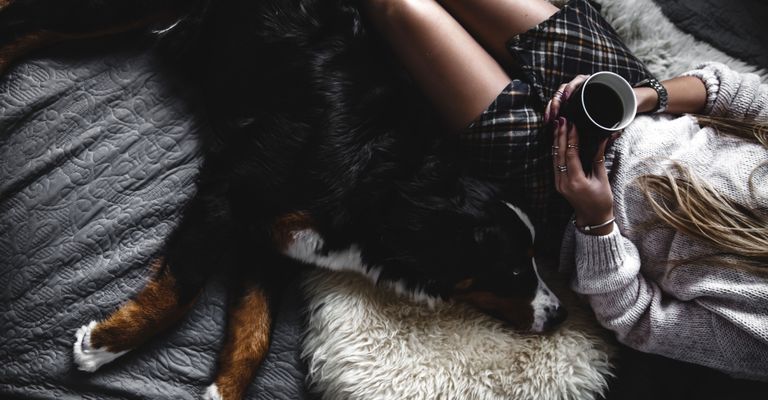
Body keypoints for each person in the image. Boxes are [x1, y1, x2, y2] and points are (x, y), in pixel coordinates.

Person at [363, 0, 768, 381]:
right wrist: (644, 96)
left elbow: (637, 320)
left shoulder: (758, 342)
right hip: (615, 95)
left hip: (555, 185)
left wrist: (596, 219)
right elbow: (739, 94)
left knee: (404, 9)